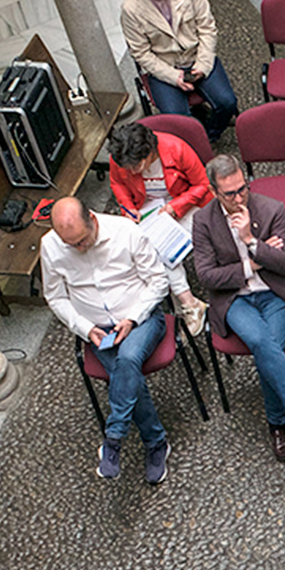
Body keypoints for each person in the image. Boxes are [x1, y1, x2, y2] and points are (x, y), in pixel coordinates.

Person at [190, 153, 285, 461]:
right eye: (230, 193)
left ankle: (277, 424)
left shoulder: (270, 209)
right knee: (261, 341)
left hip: (275, 293)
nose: (240, 198)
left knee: (267, 349)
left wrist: (251, 241)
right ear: (214, 192)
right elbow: (207, 276)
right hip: (236, 299)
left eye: (243, 188)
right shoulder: (203, 221)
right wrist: (252, 264)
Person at [41, 197, 173, 485]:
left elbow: (158, 280)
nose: (79, 248)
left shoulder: (125, 231)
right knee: (126, 373)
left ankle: (114, 436)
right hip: (97, 329)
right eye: (70, 245)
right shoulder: (50, 246)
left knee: (127, 359)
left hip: (140, 317)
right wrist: (85, 328)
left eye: (82, 240)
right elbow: (55, 296)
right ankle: (156, 442)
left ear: (92, 218)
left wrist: (132, 318)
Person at [121, 0, 237, 139]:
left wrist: (203, 65)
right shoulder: (131, 8)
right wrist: (173, 76)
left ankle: (209, 135)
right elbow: (141, 53)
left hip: (196, 57)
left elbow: (207, 28)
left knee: (228, 103)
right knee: (177, 121)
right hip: (164, 67)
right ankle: (192, 137)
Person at [108, 123, 211, 332]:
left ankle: (186, 303)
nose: (131, 171)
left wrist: (175, 207)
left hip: (186, 203)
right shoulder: (120, 157)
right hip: (148, 208)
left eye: (135, 166)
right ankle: (189, 302)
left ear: (148, 154)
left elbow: (202, 184)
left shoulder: (177, 149)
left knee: (158, 249)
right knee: (148, 247)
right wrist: (128, 208)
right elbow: (117, 184)